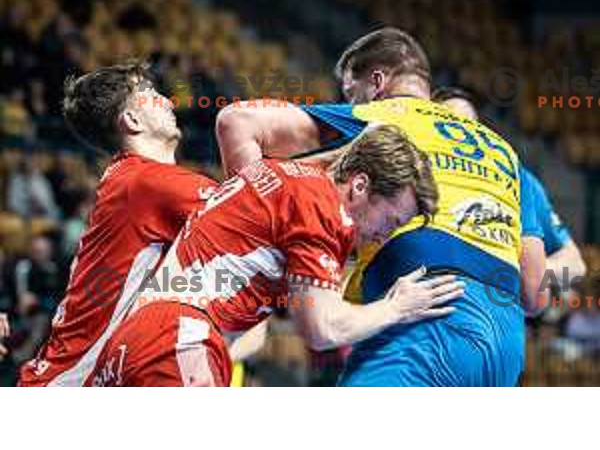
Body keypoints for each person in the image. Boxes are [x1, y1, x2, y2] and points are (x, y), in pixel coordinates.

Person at [216, 27, 546, 386]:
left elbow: (238, 122)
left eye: (350, 92)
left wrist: (254, 228)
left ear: (376, 82)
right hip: (506, 347)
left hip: (423, 324)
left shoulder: (388, 115)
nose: (350, 100)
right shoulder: (506, 154)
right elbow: (535, 292)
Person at [86, 125, 464, 387]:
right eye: (391, 218)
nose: (386, 232)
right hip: (180, 338)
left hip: (131, 340)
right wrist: (397, 308)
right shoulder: (321, 207)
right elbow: (322, 329)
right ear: (360, 185)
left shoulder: (283, 174)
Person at [19, 62, 217, 386]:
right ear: (132, 120)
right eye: (151, 94)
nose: (167, 100)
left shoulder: (130, 179)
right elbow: (256, 205)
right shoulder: (145, 182)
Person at [432, 84, 587, 308]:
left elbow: (575, 264)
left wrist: (525, 274)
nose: (460, 135)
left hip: (507, 320)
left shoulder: (519, 179)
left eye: (469, 126)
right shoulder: (419, 177)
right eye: (448, 126)